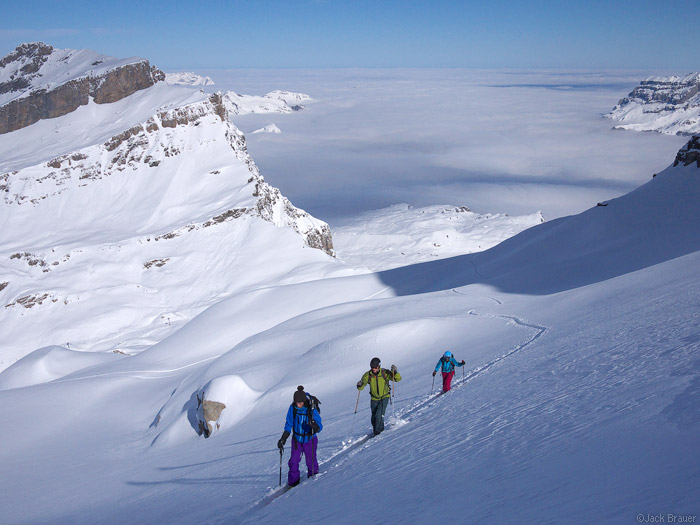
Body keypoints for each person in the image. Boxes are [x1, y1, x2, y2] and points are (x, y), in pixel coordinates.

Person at [277, 386, 322, 487]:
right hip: (297, 439)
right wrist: (283, 438)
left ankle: (313, 479)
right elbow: (289, 424)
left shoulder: (311, 409)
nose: (298, 404)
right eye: (297, 402)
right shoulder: (293, 408)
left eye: (300, 402)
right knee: (293, 461)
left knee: (311, 461)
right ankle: (293, 483)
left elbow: (320, 427)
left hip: (309, 439)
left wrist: (314, 426)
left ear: (304, 401)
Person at [356, 357, 401, 436]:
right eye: (372, 367)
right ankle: (376, 431)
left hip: (384, 397)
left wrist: (395, 372)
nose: (374, 369)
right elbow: (362, 386)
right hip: (374, 398)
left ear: (379, 366)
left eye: (375, 367)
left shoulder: (384, 373)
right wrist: (360, 385)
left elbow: (397, 379)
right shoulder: (368, 375)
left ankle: (379, 433)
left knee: (379, 415)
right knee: (373, 417)